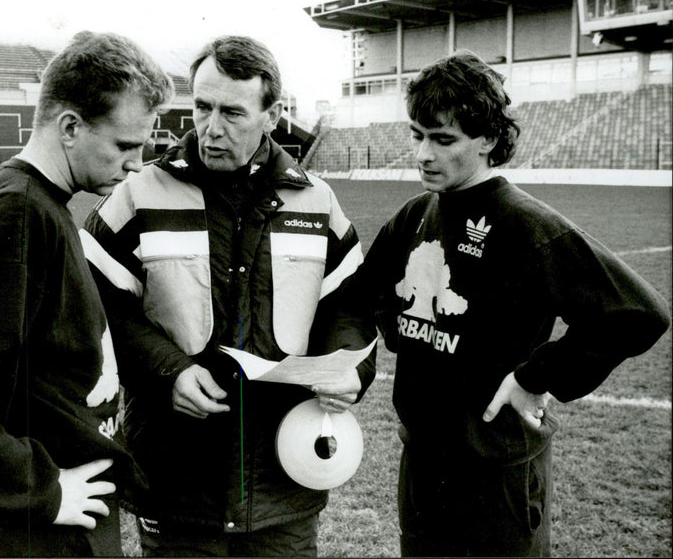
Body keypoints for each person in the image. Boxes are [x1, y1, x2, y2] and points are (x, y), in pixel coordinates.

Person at [359, 50, 671, 557]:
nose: (423, 154)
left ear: (486, 139)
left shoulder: (525, 223)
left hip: (496, 475)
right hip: (420, 466)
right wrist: (398, 327)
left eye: (443, 140)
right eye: (417, 136)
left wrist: (535, 376)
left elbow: (638, 314)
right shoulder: (416, 214)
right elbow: (368, 291)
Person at [82, 35, 377, 557]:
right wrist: (167, 369)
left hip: (286, 485)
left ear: (272, 114)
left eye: (233, 113)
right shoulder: (137, 195)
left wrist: (346, 370)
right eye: (201, 106)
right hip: (175, 485)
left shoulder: (317, 200)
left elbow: (348, 306)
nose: (211, 128)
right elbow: (96, 311)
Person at [0, 30, 175, 557]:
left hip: (63, 518)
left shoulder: (40, 204)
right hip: (41, 531)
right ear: (69, 127)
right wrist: (39, 489)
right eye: (125, 145)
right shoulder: (19, 211)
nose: (136, 164)